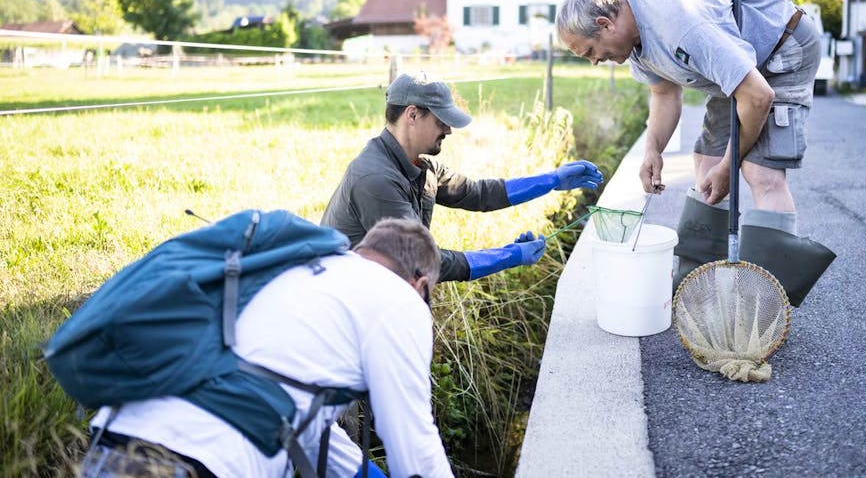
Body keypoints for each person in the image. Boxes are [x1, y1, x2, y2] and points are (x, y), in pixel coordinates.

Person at [84, 218, 454, 478]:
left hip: (113, 439)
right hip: (208, 461)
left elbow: (310, 432)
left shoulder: (293, 268)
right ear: (420, 284)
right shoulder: (400, 300)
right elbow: (415, 449)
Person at [556, 0, 834, 301]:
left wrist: (731, 165)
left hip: (781, 48)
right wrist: (652, 149)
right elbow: (663, 92)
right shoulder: (632, 42)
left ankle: (768, 299)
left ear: (606, 24)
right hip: (738, 66)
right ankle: (698, 281)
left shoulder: (680, 26)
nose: (593, 61)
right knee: (706, 163)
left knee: (762, 173)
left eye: (590, 51)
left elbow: (758, 97)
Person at [320, 71, 604, 282]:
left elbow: (478, 193)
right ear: (412, 115)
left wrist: (553, 180)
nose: (449, 130)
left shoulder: (421, 166)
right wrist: (509, 256)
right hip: (349, 302)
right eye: (441, 121)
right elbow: (423, 261)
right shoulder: (376, 180)